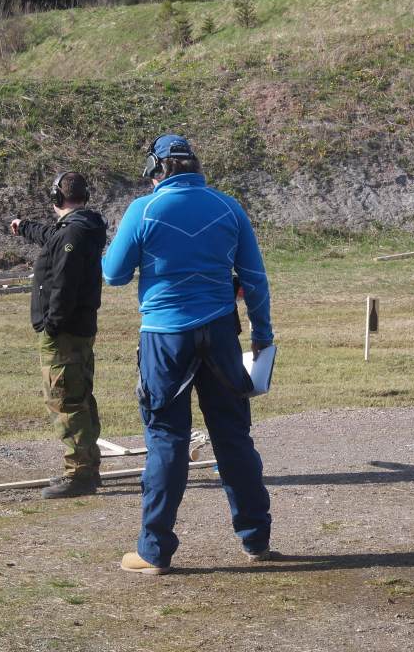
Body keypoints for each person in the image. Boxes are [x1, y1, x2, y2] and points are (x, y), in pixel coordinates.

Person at [102, 134, 274, 575]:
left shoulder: (144, 210)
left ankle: (154, 551)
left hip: (164, 338)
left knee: (166, 440)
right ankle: (255, 539)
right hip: (220, 333)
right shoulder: (228, 207)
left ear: (156, 170)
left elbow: (114, 273)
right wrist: (262, 333)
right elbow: (254, 277)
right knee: (233, 437)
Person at [10, 172, 108, 498]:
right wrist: (24, 226)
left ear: (56, 198)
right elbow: (50, 236)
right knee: (79, 396)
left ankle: (79, 473)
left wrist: (52, 325)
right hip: (76, 328)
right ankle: (88, 466)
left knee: (65, 400)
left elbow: (63, 285)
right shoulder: (78, 229)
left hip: (64, 332)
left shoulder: (73, 234)